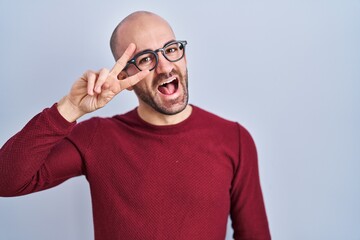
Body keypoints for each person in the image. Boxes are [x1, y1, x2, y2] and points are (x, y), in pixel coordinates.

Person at [0, 11, 271, 240]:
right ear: (123, 77)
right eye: (145, 60)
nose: (165, 67)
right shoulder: (97, 137)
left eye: (171, 49)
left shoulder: (233, 139)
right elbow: (6, 181)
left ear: (184, 57)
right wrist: (70, 108)